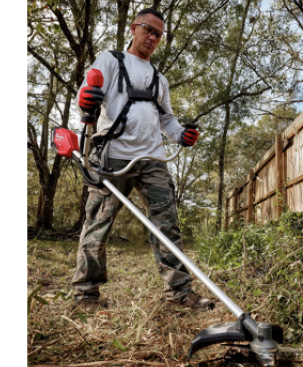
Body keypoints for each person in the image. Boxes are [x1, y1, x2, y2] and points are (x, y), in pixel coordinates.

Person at [71, 8, 214, 314]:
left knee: (168, 226)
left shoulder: (159, 79)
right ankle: (86, 295)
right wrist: (85, 99)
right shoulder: (111, 60)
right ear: (134, 28)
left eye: (158, 34)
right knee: (98, 224)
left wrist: (182, 135)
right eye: (148, 29)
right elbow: (87, 93)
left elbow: (169, 121)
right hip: (112, 157)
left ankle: (178, 292)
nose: (152, 37)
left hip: (153, 160)